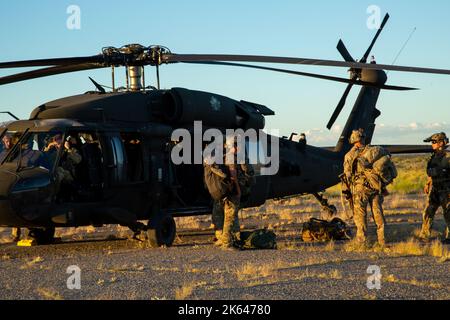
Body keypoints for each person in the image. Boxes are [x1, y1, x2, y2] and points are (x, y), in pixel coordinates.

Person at [343, 128, 390, 246]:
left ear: (353, 139)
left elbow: (347, 175)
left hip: (360, 189)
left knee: (360, 216)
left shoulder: (349, 155)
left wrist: (347, 191)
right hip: (375, 187)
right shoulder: (374, 151)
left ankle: (362, 242)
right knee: (378, 213)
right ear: (363, 137)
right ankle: (382, 240)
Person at [207, 135, 254, 249]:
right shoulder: (234, 158)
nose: (239, 148)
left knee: (226, 215)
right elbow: (239, 175)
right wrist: (238, 190)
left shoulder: (223, 157)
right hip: (233, 191)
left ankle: (229, 238)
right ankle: (227, 243)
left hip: (225, 191)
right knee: (230, 218)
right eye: (237, 145)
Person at [420, 132, 450, 244]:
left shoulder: (448, 157)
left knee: (448, 213)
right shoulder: (433, 157)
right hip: (435, 189)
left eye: (434, 142)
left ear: (441, 143)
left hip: (446, 190)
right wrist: (428, 184)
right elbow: (431, 174)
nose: (432, 144)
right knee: (428, 212)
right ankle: (425, 235)